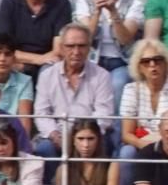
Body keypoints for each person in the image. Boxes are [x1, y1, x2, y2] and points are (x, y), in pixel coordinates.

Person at [33, 22, 113, 158]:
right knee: (44, 148)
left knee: (105, 143)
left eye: (81, 46)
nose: (76, 52)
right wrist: (55, 135)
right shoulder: (47, 75)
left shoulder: (102, 75)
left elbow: (104, 114)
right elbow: (41, 113)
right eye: (70, 46)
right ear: (62, 48)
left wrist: (83, 137)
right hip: (57, 136)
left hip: (89, 136)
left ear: (89, 48)